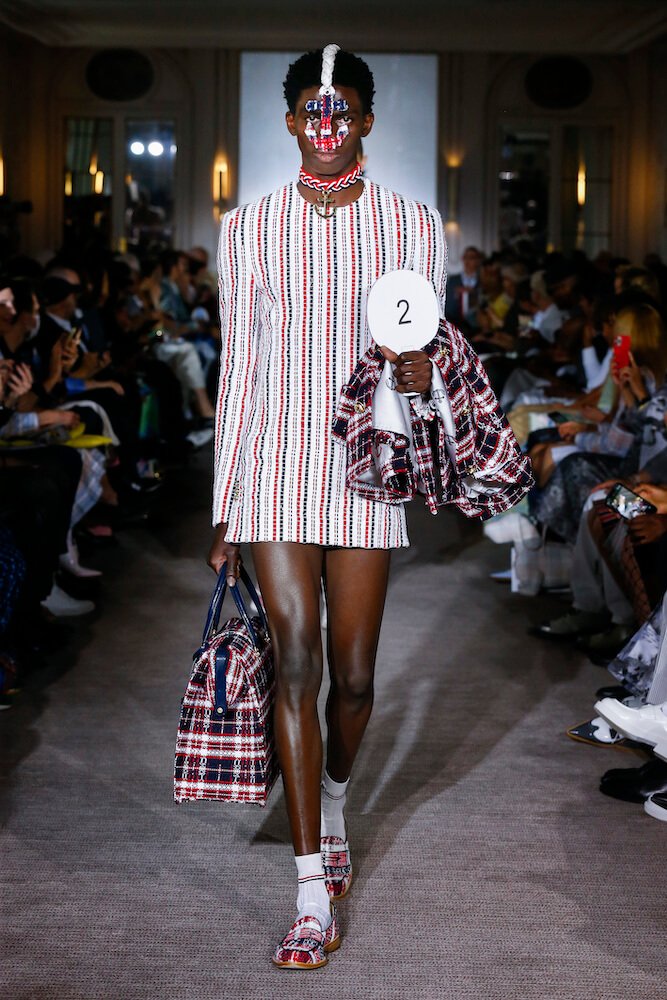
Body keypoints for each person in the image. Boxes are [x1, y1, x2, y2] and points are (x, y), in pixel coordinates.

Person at [206, 45, 530, 969]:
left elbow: (425, 354)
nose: (325, 125)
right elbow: (238, 368)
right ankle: (310, 890)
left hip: (363, 466)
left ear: (365, 120)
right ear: (288, 121)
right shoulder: (248, 227)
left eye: (340, 110)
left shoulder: (410, 225)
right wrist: (224, 503)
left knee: (352, 681)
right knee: (296, 662)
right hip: (275, 465)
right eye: (310, 111)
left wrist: (424, 378)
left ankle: (335, 804)